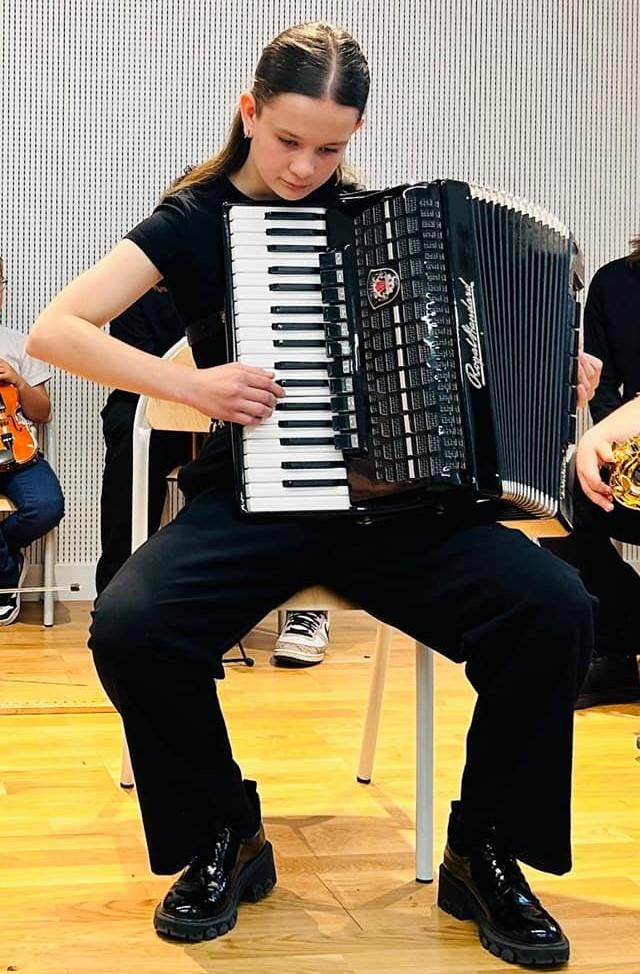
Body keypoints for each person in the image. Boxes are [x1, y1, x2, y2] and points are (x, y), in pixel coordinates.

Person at [28, 22, 600, 967]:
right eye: (288, 139)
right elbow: (56, 330)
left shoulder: (389, 225)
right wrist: (191, 386)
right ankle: (226, 830)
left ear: (355, 136)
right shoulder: (194, 219)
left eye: (329, 149)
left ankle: (484, 850)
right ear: (249, 112)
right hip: (253, 500)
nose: (304, 168)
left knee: (555, 607)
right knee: (132, 625)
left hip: (396, 510)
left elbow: (461, 380)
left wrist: (551, 378)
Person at [542, 239, 640, 708]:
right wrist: (606, 445)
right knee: (555, 491)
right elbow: (603, 391)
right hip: (634, 447)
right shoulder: (614, 282)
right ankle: (618, 642)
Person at [96, 285, 192, 594]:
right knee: (129, 437)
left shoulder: (219, 285)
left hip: (214, 404)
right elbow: (134, 370)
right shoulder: (132, 290)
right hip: (141, 402)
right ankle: (116, 589)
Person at [0, 256, 64, 624]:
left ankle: (3, 558)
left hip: (17, 454)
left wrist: (18, 380)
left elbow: (42, 413)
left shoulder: (21, 344)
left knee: (47, 506)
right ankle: (5, 577)